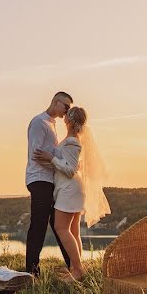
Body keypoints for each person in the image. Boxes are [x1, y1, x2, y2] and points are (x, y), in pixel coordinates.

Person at [33, 106, 111, 282]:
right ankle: (74, 267)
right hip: (70, 188)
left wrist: (49, 157)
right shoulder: (71, 140)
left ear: (69, 120)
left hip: (69, 188)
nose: (64, 116)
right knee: (74, 231)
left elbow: (69, 169)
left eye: (67, 115)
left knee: (61, 228)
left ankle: (78, 270)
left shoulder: (73, 142)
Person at [23, 91, 74, 276]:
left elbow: (49, 154)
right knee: (39, 224)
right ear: (55, 102)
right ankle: (31, 272)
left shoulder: (52, 124)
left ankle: (73, 266)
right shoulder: (39, 122)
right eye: (65, 107)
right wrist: (55, 161)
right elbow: (36, 155)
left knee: (57, 224)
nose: (67, 111)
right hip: (39, 179)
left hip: (49, 180)